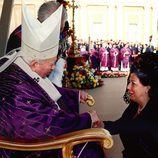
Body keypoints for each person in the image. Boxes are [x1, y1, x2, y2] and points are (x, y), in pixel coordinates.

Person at [0, 2, 104, 158]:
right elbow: (45, 125)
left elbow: (42, 88)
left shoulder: (23, 67)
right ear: (34, 64)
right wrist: (87, 119)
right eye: (52, 63)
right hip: (24, 149)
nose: (55, 66)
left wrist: (74, 95)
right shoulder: (16, 90)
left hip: (28, 132)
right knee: (91, 150)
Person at [104, 52, 158, 158]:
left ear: (148, 87)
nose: (128, 87)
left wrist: (102, 126)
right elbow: (123, 122)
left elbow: (129, 126)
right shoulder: (135, 105)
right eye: (129, 82)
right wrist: (100, 124)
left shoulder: (154, 113)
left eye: (133, 83)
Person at [6, 1, 69, 87]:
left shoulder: (56, 34)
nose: (58, 34)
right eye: (54, 29)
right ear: (41, 23)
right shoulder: (19, 38)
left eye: (60, 29)